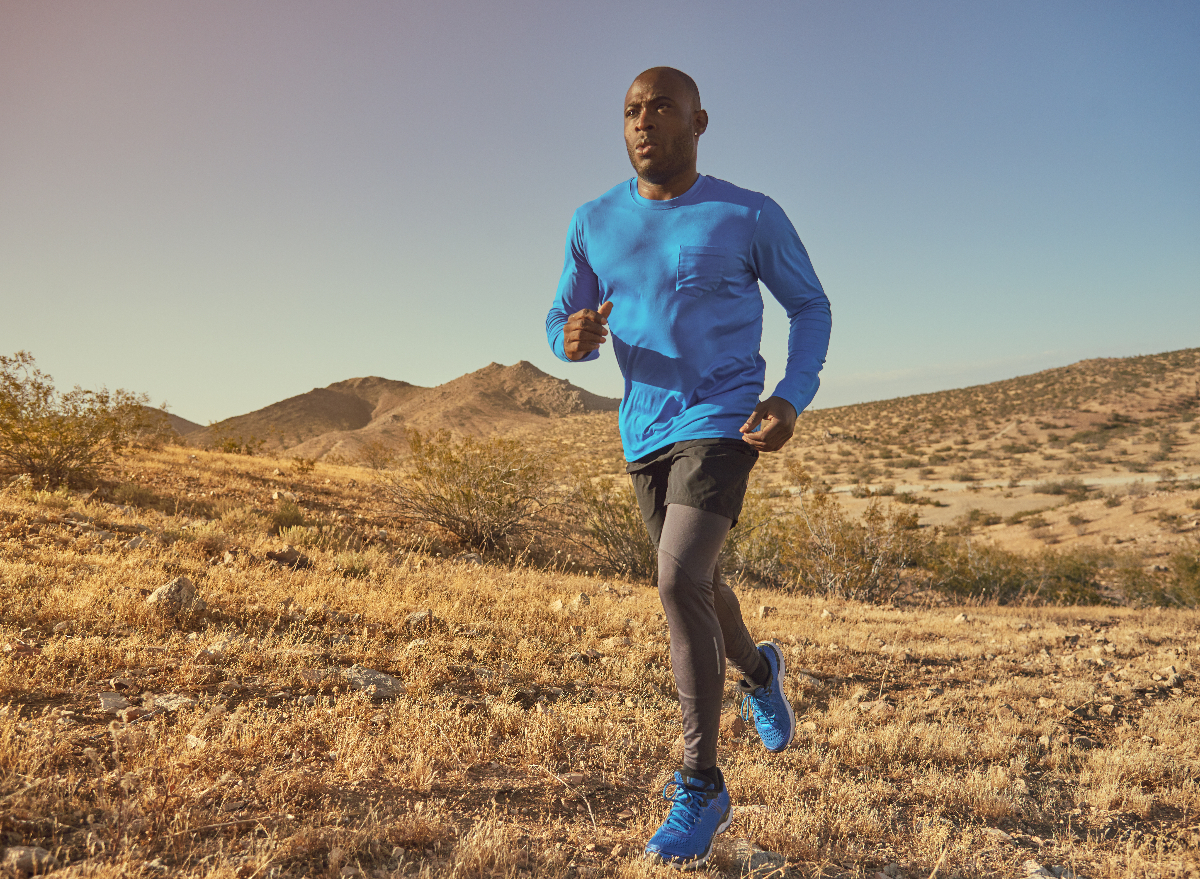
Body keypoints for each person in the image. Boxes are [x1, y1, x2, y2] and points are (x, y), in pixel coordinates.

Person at [545, 67, 831, 870]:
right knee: (696, 581)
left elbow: (810, 305)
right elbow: (560, 313)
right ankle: (759, 666)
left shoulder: (747, 213)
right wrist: (569, 335)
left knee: (676, 581)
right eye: (631, 110)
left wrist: (790, 395)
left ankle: (701, 782)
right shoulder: (592, 220)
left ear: (699, 121)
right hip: (644, 434)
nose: (643, 121)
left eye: (661, 107)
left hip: (724, 420)